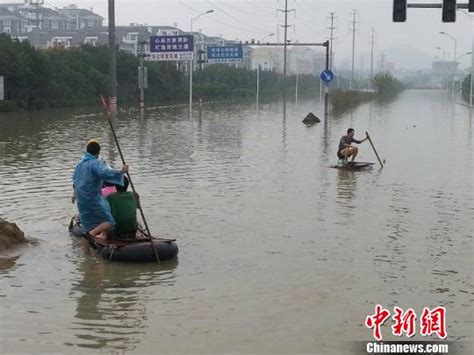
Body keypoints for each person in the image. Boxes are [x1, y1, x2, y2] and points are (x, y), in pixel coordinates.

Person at [72, 139, 128, 240]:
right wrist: (121, 171)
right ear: (98, 153)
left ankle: (87, 252)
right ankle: (91, 235)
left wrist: (74, 195)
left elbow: (76, 181)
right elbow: (105, 172)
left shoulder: (79, 165)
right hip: (92, 199)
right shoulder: (95, 163)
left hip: (82, 201)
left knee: (87, 226)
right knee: (110, 222)